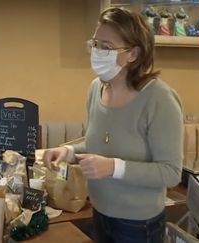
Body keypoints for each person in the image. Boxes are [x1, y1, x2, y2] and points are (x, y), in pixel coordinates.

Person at [43, 7, 183, 243]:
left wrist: (113, 168)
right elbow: (96, 144)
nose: (96, 52)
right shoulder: (96, 89)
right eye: (95, 44)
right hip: (100, 213)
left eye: (106, 47)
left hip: (138, 225)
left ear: (133, 54)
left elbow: (170, 173)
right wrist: (67, 152)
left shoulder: (159, 99)